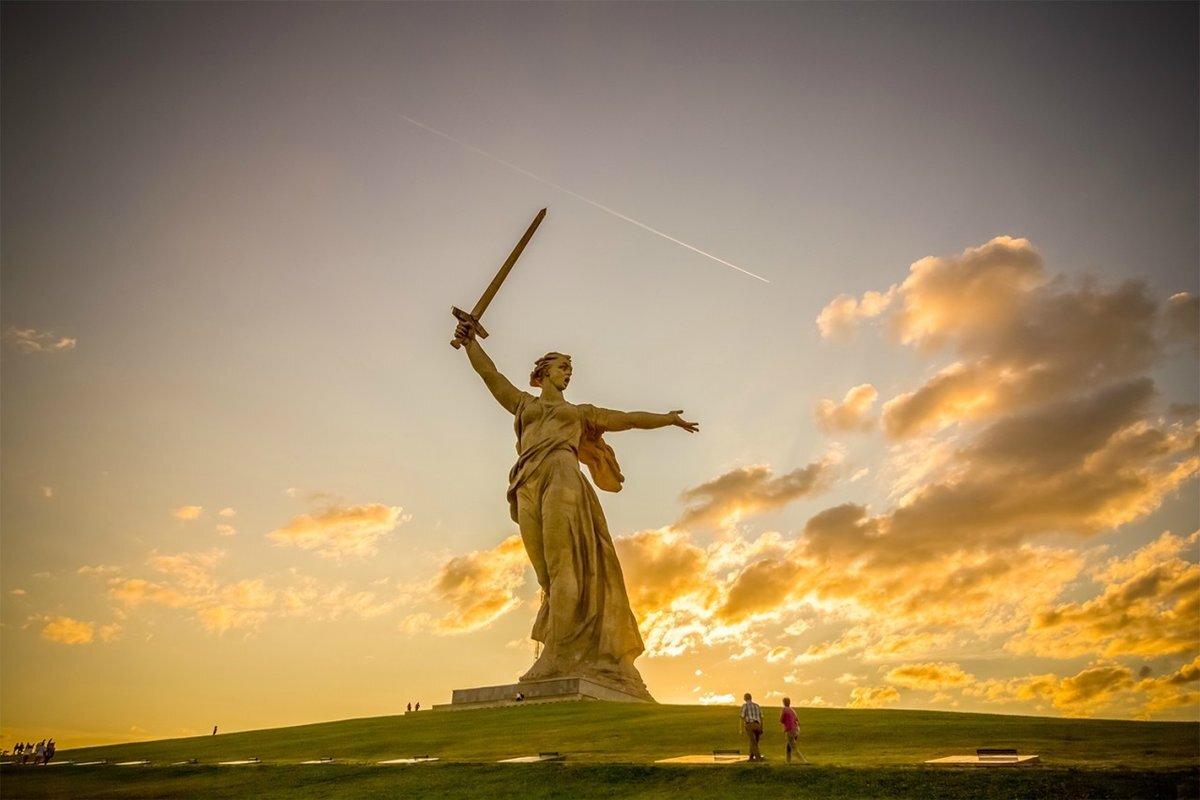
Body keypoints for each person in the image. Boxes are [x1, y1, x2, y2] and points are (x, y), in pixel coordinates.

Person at [455, 322, 698, 698]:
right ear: (543, 373)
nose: (568, 373)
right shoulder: (524, 404)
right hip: (526, 480)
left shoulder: (581, 413)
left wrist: (666, 419)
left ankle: (556, 654)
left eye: (570, 369)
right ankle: (562, 645)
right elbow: (490, 375)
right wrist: (470, 342)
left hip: (562, 476)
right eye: (562, 367)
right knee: (547, 577)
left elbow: (628, 419)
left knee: (562, 564)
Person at [740, 692, 764, 761]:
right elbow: (761, 717)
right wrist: (761, 727)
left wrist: (741, 729)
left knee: (753, 742)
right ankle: (751, 757)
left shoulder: (745, 705)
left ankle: (758, 758)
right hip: (758, 725)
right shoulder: (757, 705)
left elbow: (742, 716)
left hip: (750, 724)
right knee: (755, 741)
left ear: (745, 698)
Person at [779, 697, 800, 763]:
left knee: (793, 746)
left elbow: (781, 720)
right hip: (796, 729)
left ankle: (802, 760)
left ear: (784, 702)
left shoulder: (784, 709)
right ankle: (788, 761)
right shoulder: (793, 710)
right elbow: (797, 720)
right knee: (789, 746)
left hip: (790, 729)